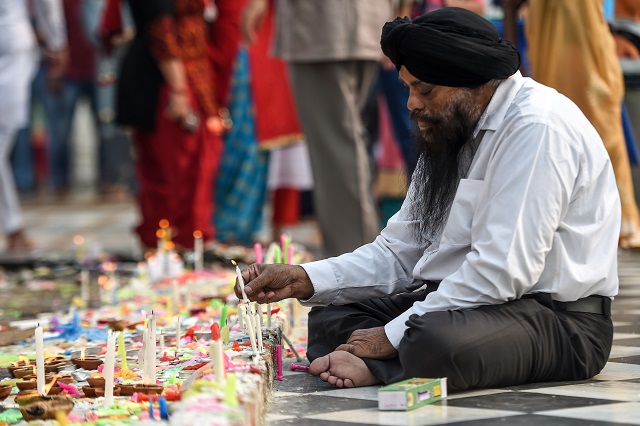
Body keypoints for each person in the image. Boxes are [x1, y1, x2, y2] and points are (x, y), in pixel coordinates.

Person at [235, 8, 619, 392]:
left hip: (557, 322)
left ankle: (383, 367)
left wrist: (392, 334)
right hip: (472, 306)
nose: (411, 104)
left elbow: (502, 271)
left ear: (471, 82)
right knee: (330, 316)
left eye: (425, 90)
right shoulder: (454, 128)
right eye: (408, 89)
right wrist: (305, 278)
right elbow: (398, 252)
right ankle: (390, 358)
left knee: (436, 340)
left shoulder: (536, 127)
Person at [242, 0, 397, 257]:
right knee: (347, 141)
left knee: (336, 146)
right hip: (363, 22)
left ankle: (354, 257)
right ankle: (359, 255)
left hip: (322, 26)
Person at [503, 0, 640, 249]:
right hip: (556, 49)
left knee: (601, 133)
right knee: (557, 133)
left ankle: (616, 224)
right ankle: (571, 223)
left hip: (588, 55)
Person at [116, 0, 231, 250]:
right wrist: (179, 91)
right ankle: (181, 244)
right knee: (180, 169)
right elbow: (162, 30)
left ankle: (171, 245)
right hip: (168, 81)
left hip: (187, 75)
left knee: (175, 170)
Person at [0, 0, 67, 251]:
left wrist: (56, 40)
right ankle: (12, 226)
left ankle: (13, 226)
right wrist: (57, 41)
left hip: (9, 46)